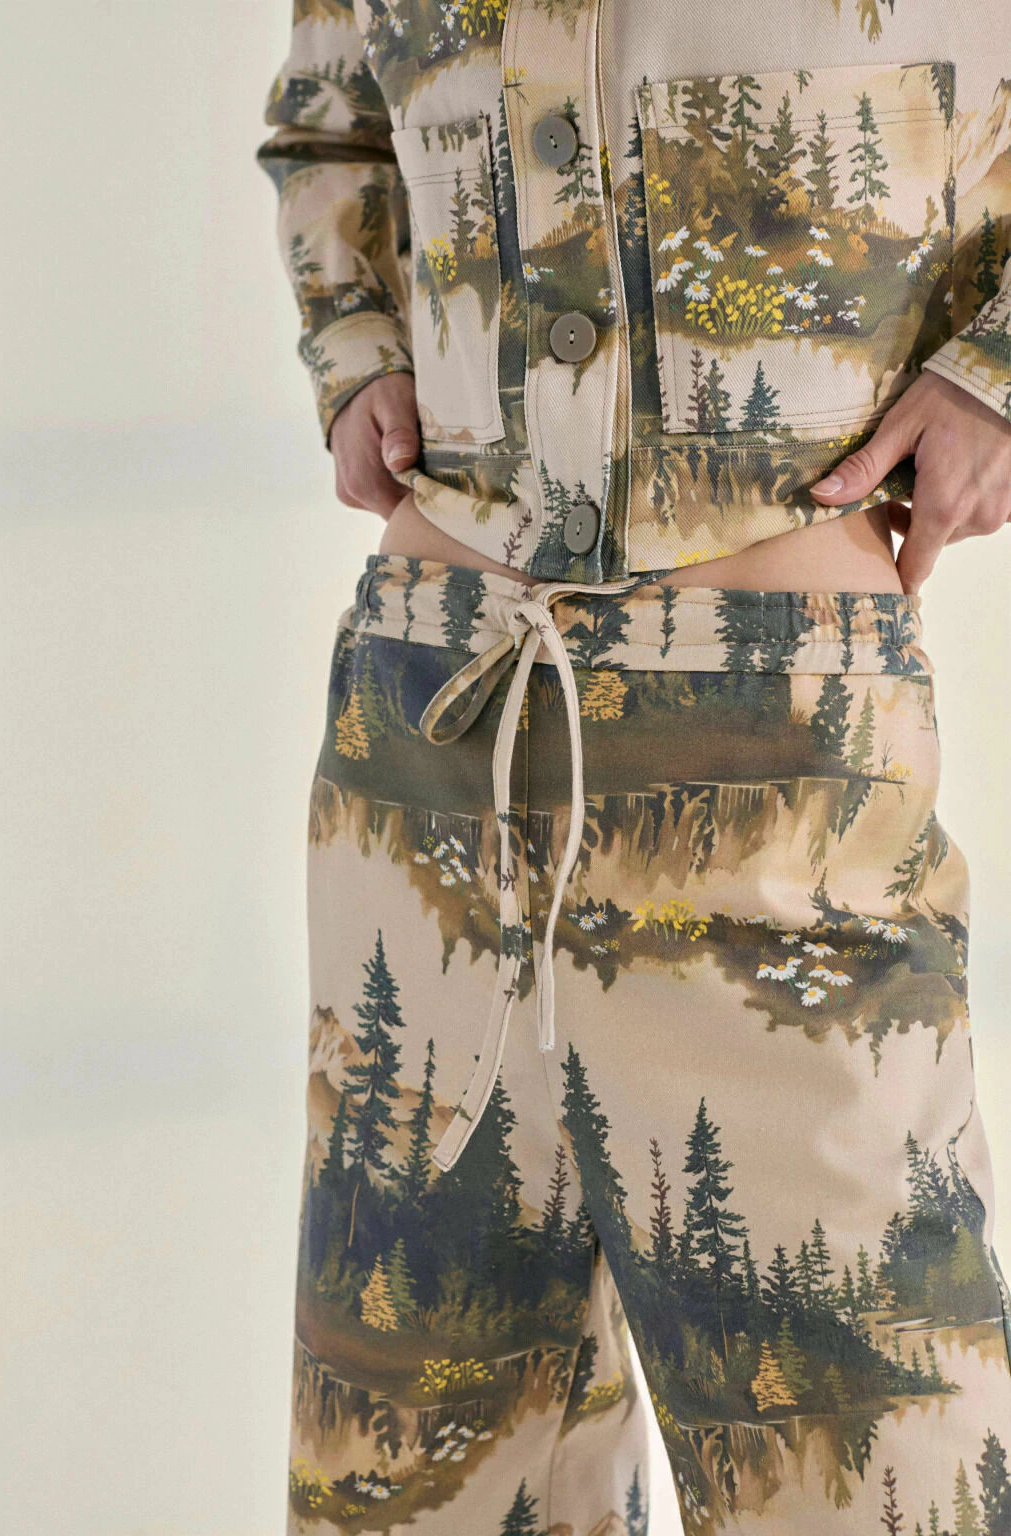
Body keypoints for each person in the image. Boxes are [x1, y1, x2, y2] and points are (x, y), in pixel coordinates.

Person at [256, 3, 1011, 1532]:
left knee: (874, 1466)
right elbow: (330, 114)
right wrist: (358, 352)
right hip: (430, 721)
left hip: (777, 746)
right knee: (418, 1470)